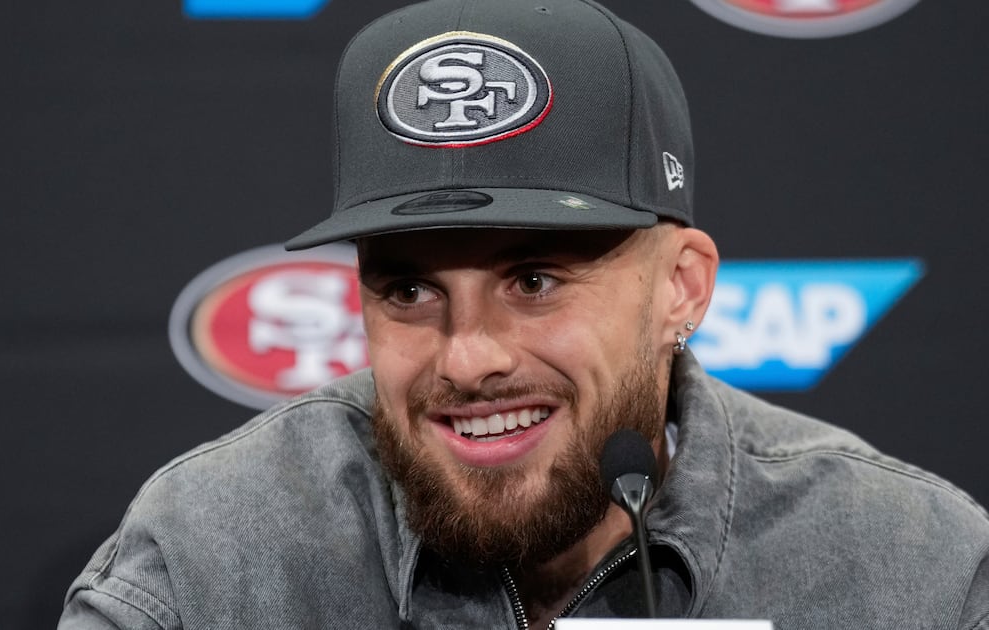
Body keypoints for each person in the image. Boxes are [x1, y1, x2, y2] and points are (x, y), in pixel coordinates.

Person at [59, 0, 989, 627]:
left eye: (535, 280)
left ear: (682, 288)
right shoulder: (211, 554)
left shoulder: (909, 569)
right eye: (409, 291)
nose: (467, 360)